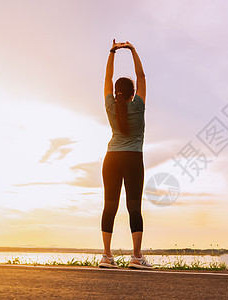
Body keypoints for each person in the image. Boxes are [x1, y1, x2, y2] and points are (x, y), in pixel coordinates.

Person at [98, 39, 152, 269]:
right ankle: (136, 257)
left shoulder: (111, 106)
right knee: (134, 207)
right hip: (132, 159)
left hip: (111, 159)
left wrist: (112, 52)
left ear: (116, 93)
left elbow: (107, 80)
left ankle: (107, 256)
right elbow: (141, 77)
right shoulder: (138, 106)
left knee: (109, 207)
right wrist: (132, 50)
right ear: (132, 94)